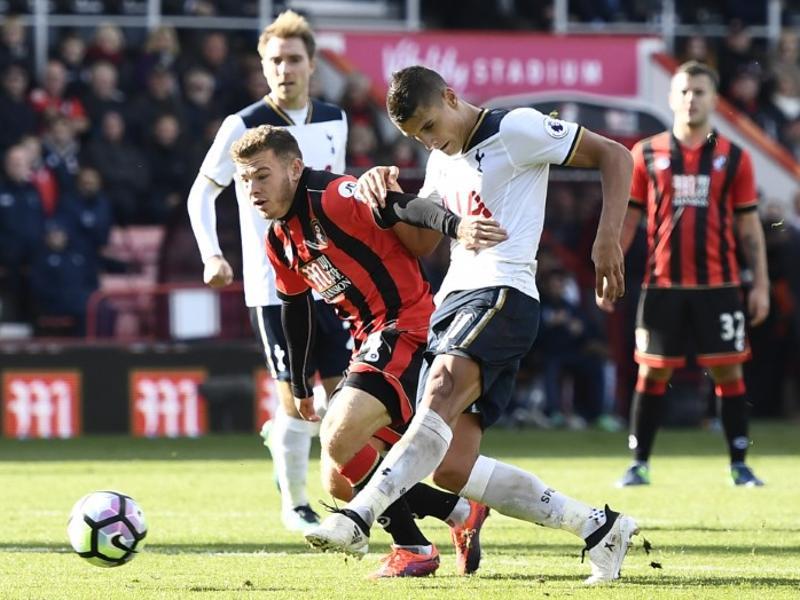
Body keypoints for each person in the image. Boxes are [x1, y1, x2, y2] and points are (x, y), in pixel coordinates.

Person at [304, 65, 639, 585]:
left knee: (437, 390)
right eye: (417, 136)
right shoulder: (440, 159)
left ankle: (359, 515)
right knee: (452, 469)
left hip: (503, 293)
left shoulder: (517, 129)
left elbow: (615, 155)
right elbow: (424, 244)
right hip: (452, 302)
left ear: (451, 97)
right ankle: (599, 528)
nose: (429, 140)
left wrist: (607, 238)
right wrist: (388, 202)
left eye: (431, 126)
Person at [229, 124, 504, 577]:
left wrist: (456, 226)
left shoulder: (332, 194)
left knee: (338, 437)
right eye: (244, 180)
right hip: (369, 339)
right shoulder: (280, 239)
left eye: (262, 175)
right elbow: (294, 310)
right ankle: (459, 512)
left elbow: (400, 206)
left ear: (294, 169)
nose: (253, 189)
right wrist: (300, 383)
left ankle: (413, 548)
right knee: (338, 479)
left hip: (408, 324)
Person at [187, 10, 351, 533]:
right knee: (301, 401)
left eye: (294, 59)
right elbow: (201, 191)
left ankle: (349, 490)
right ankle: (297, 502)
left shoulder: (335, 119)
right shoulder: (243, 125)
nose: (285, 69)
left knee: (348, 397)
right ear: (263, 66)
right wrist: (213, 254)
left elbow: (333, 198)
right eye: (275, 60)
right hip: (273, 285)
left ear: (312, 64)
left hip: (332, 282)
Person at [604, 61, 769, 487]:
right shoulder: (647, 153)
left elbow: (749, 226)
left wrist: (762, 285)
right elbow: (629, 221)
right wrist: (610, 268)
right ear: (672, 98)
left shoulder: (735, 157)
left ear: (714, 99)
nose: (691, 98)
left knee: (730, 372)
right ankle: (638, 464)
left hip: (720, 286)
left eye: (700, 91)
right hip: (662, 286)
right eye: (684, 91)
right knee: (652, 372)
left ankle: (740, 464)